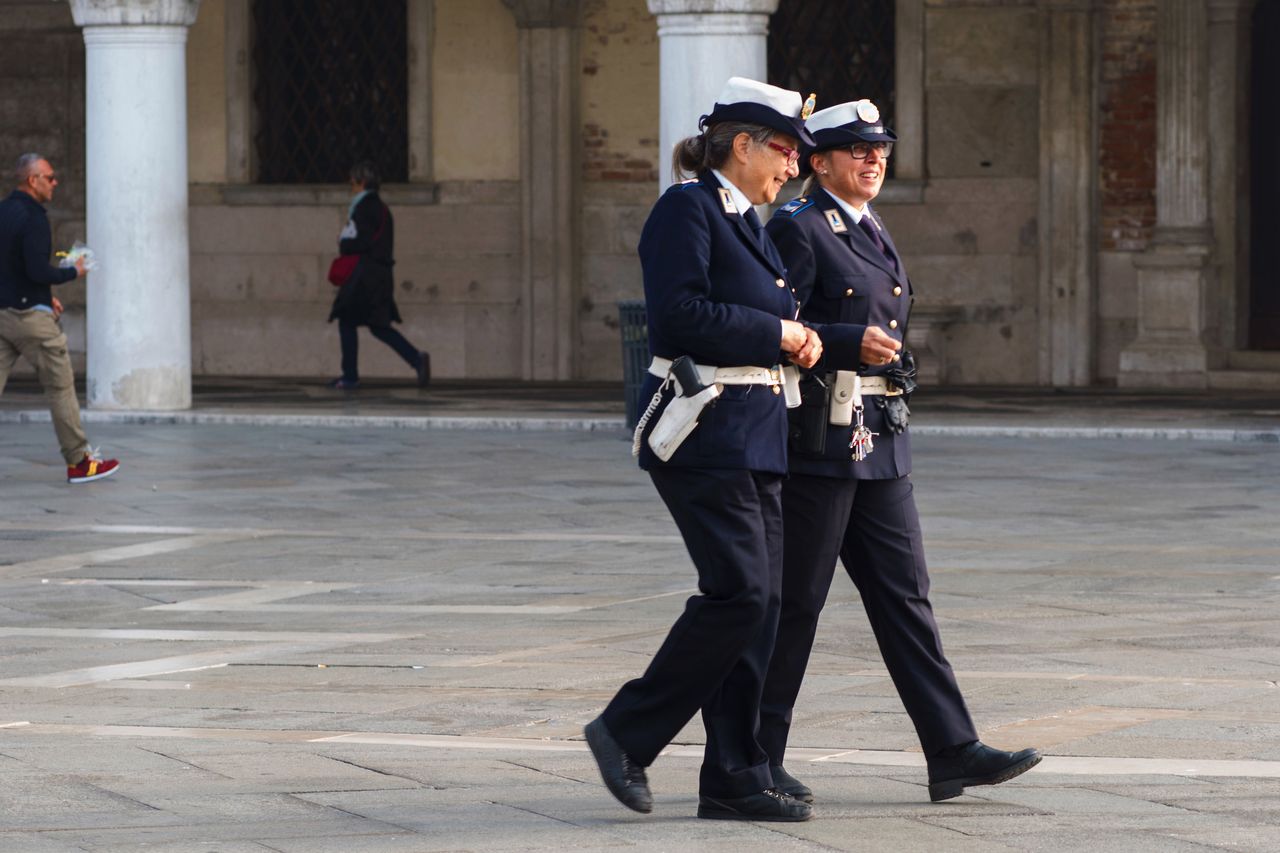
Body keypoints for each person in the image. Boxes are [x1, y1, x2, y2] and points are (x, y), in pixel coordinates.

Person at [761, 100, 1040, 803]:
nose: (873, 159)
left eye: (880, 148)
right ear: (817, 161)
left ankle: (951, 747)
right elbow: (773, 323)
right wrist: (847, 342)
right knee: (795, 603)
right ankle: (755, 756)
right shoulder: (799, 227)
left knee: (906, 597)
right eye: (856, 149)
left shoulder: (871, 226)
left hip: (879, 439)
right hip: (819, 442)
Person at [584, 78, 823, 823]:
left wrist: (800, 338)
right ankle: (625, 729)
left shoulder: (746, 222)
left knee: (764, 603)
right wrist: (778, 332)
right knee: (740, 592)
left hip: (755, 433)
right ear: (741, 144)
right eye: (785, 152)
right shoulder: (685, 209)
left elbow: (754, 316)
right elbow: (679, 315)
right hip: (702, 432)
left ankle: (735, 771)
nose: (793, 169)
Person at [0, 153, 119, 484]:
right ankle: (80, 461)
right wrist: (73, 271)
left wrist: (43, 296)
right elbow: (37, 270)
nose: (55, 183)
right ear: (32, 180)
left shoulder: (3, 212)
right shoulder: (34, 217)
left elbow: (10, 267)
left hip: (3, 312)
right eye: (49, 178)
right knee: (61, 386)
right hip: (29, 320)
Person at [327, 160, 429, 389]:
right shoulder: (380, 208)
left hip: (364, 278)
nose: (350, 185)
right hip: (377, 276)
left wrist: (343, 241)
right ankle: (415, 358)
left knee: (347, 321)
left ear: (361, 182)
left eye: (352, 181)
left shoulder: (364, 208)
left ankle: (350, 376)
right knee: (378, 326)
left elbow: (361, 242)